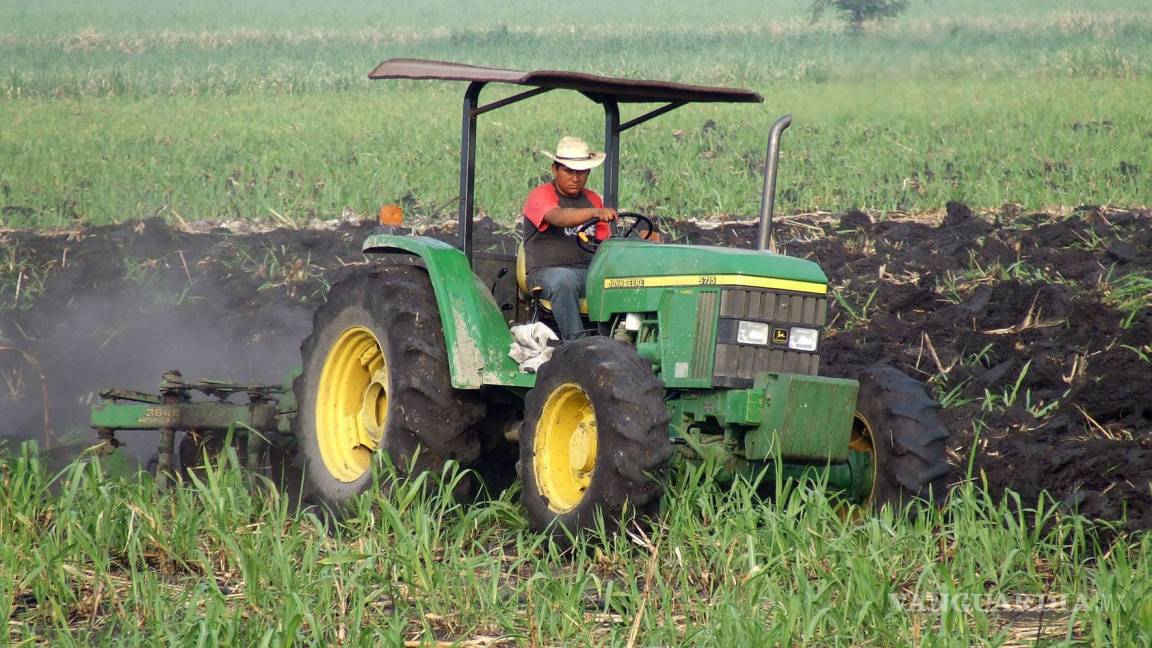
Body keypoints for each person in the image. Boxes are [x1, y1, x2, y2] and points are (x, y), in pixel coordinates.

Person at [522, 136, 617, 340]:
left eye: (581, 171)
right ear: (555, 169)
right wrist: (594, 213)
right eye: (569, 171)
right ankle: (577, 345)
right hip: (546, 272)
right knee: (562, 280)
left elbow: (603, 243)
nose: (576, 178)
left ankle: (619, 341)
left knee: (626, 278)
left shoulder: (592, 199)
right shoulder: (540, 195)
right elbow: (558, 217)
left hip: (588, 273)